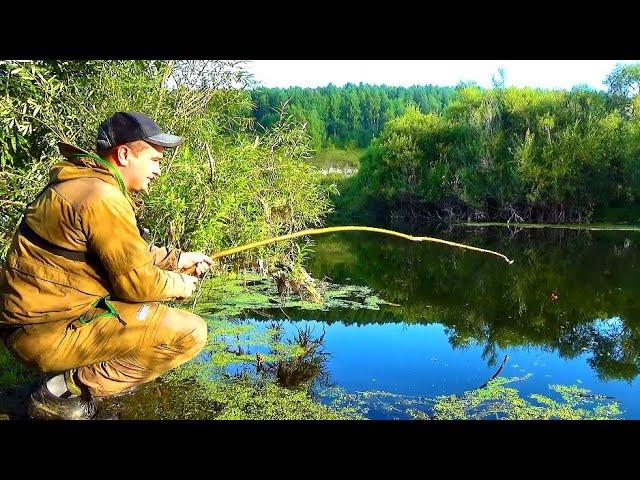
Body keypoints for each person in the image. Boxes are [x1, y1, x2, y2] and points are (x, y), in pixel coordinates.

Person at [0, 112, 214, 420]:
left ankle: (70, 377)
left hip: (32, 326)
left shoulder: (81, 182)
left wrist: (177, 259)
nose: (158, 170)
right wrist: (180, 283)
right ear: (124, 154)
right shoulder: (102, 198)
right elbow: (138, 285)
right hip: (44, 335)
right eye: (154, 160)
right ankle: (62, 391)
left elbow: (124, 253)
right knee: (190, 332)